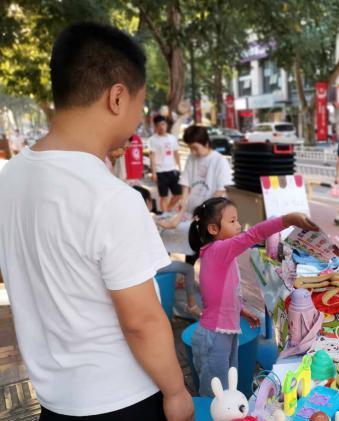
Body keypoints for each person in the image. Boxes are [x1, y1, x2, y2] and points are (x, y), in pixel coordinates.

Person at [0, 23, 193, 420]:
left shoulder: (9, 178)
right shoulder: (112, 200)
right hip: (123, 400)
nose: (139, 119)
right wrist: (175, 391)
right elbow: (141, 321)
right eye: (140, 104)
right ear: (117, 97)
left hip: (55, 401)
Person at [188, 197, 318, 397]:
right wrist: (288, 219)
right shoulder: (218, 250)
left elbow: (222, 293)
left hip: (224, 332)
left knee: (227, 385)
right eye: (232, 221)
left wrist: (242, 310)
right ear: (213, 229)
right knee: (215, 394)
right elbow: (253, 234)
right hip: (214, 336)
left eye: (237, 220)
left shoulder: (220, 253)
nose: (238, 225)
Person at [133, 185, 201, 318]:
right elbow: (172, 225)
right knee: (188, 269)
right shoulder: (148, 216)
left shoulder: (136, 217)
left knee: (165, 248)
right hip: (152, 265)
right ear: (147, 202)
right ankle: (192, 306)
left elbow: (167, 221)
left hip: (140, 263)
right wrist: (184, 209)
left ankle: (178, 283)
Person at [177, 125, 232, 264]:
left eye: (195, 147)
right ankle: (187, 277)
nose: (193, 151)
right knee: (191, 248)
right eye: (190, 148)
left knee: (210, 253)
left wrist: (203, 212)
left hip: (211, 215)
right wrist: (183, 202)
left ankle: (209, 282)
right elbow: (185, 184)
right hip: (194, 214)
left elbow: (220, 191)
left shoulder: (219, 161)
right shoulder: (191, 158)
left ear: (206, 143)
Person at [148, 115, 182, 213]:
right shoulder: (152, 140)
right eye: (158, 125)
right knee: (164, 196)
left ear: (166, 125)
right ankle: (165, 215)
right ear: (155, 127)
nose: (161, 127)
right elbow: (152, 157)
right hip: (160, 171)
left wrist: (179, 168)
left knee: (178, 194)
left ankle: (168, 209)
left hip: (173, 170)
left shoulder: (172, 138)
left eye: (163, 124)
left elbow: (176, 153)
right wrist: (153, 173)